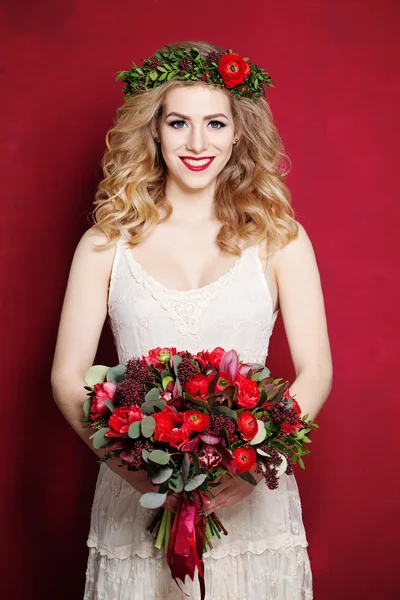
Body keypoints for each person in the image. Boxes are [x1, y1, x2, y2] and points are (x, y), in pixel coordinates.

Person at [51, 40, 332, 600]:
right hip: (134, 497)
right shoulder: (106, 242)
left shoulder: (281, 239)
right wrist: (136, 473)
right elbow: (67, 376)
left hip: (251, 497)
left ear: (239, 132)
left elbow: (316, 371)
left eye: (215, 123)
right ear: (153, 130)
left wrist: (252, 466)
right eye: (179, 122)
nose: (198, 143)